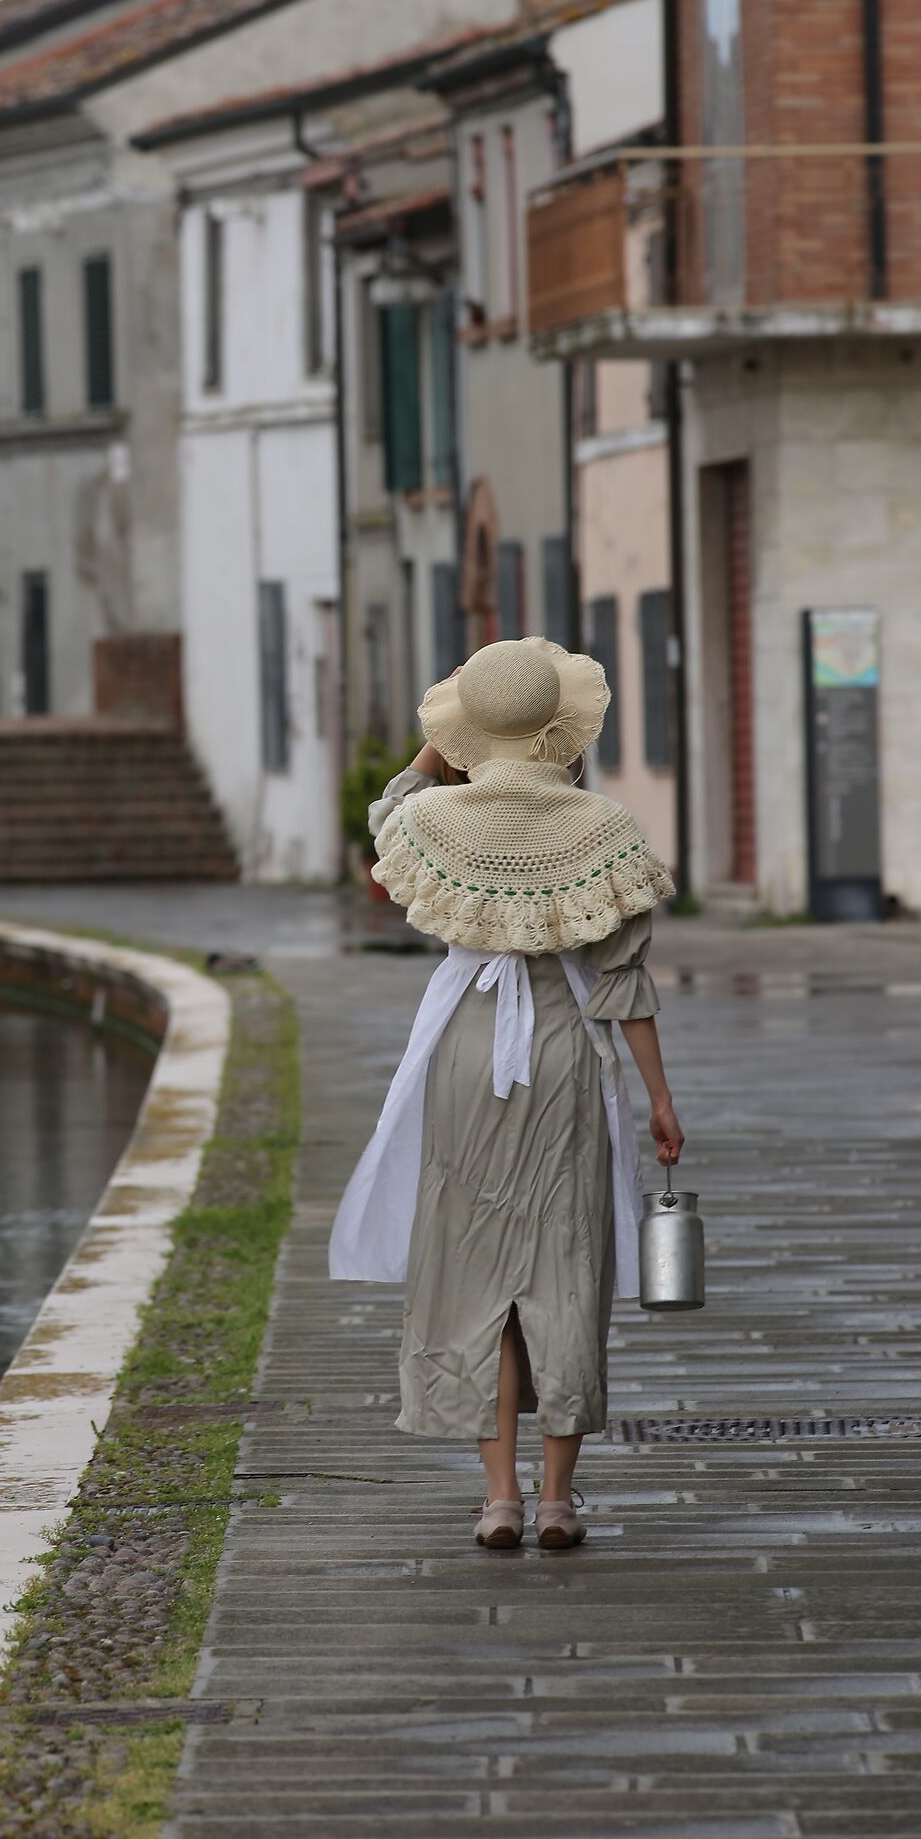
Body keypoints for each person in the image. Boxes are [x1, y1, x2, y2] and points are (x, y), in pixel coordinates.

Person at [329, 636, 685, 1552]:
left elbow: (387, 813)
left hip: (463, 1048)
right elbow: (625, 983)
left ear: (470, 731)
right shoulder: (602, 829)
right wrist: (659, 1098)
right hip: (566, 1052)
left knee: (473, 1265)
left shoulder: (436, 822)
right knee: (565, 1265)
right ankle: (560, 1500)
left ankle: (498, 1500)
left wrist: (440, 751)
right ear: (562, 727)